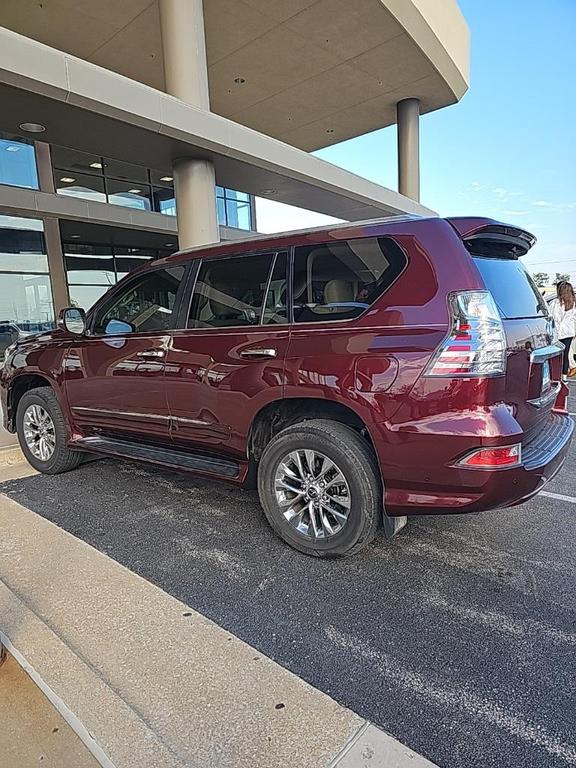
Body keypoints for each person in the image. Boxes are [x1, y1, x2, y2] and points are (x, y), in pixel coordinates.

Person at [550, 281, 576, 380]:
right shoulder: (573, 303)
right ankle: (564, 377)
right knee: (566, 355)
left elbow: (552, 316)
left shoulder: (556, 303)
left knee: (557, 355)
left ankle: (556, 376)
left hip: (558, 332)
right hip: (569, 332)